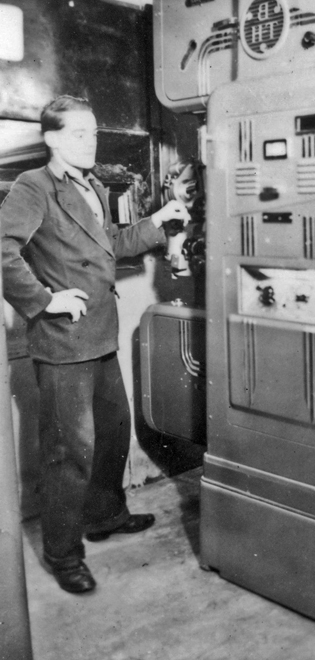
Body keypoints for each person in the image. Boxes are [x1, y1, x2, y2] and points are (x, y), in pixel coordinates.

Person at [0, 95, 190, 595]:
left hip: (100, 336)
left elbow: (112, 244)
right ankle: (62, 553)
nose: (91, 142)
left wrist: (157, 221)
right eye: (79, 134)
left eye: (94, 133)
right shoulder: (34, 186)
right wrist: (44, 301)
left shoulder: (94, 186)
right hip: (64, 342)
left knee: (112, 432)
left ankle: (104, 515)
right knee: (70, 452)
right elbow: (2, 249)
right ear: (52, 138)